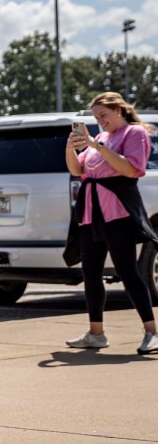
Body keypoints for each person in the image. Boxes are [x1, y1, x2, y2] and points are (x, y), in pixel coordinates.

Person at [64, 92, 158, 355]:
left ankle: (152, 332)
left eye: (103, 115)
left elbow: (130, 169)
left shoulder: (134, 133)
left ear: (119, 110)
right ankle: (96, 334)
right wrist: (71, 148)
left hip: (119, 213)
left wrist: (96, 146)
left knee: (127, 271)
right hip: (91, 213)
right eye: (96, 117)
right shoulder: (102, 137)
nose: (100, 121)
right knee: (91, 273)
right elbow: (77, 170)